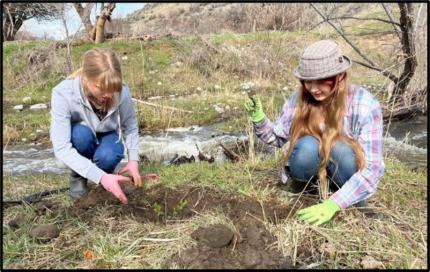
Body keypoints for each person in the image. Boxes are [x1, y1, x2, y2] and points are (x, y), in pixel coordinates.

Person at [245, 40, 385, 226]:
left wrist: (334, 204)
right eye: (308, 81)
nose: (313, 88)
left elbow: (373, 169)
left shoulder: (365, 105)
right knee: (306, 147)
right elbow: (277, 138)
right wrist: (259, 120)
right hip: (309, 176)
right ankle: (303, 192)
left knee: (341, 150)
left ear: (340, 76)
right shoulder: (299, 100)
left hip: (346, 176)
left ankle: (352, 198)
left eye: (321, 81)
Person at [50, 48, 142, 204]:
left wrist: (133, 160)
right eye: (101, 88)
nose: (108, 95)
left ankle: (105, 179)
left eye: (112, 89)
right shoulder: (62, 93)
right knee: (81, 136)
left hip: (107, 133)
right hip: (80, 134)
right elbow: (61, 148)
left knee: (109, 155)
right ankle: (79, 177)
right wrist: (99, 176)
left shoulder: (122, 91)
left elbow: (130, 126)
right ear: (85, 78)